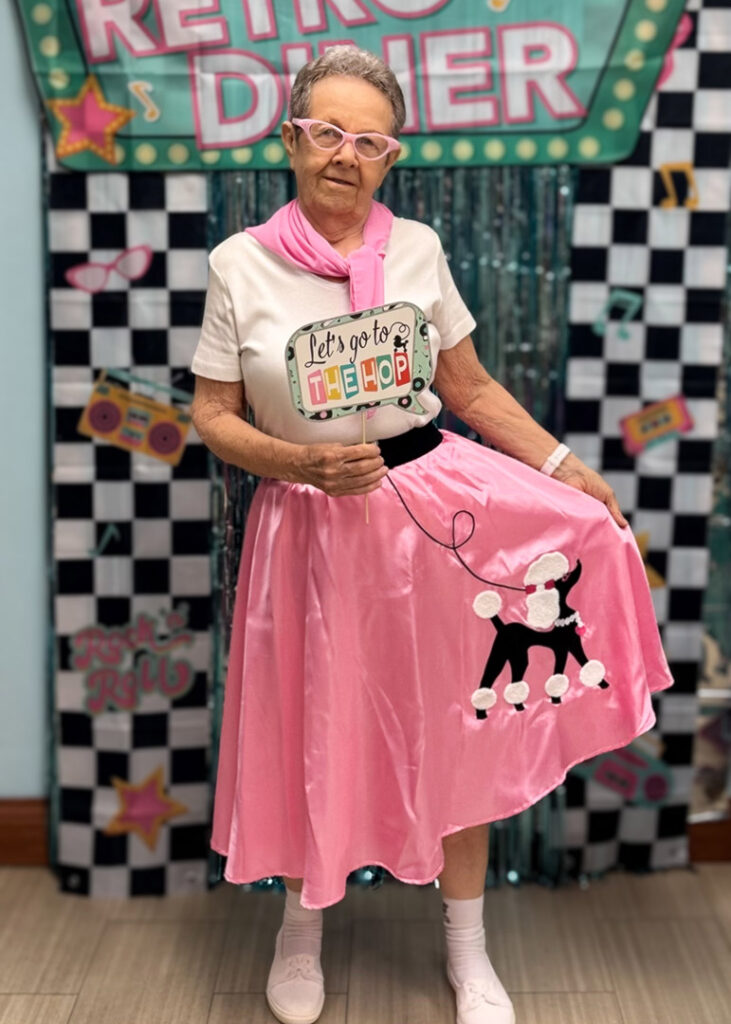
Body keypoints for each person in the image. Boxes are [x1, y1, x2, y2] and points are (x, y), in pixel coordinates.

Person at [190, 45, 674, 1024]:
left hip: (431, 525)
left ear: (390, 157)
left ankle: (466, 948)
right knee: (314, 728)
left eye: (368, 141)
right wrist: (299, 462)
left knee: (459, 729)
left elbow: (471, 390)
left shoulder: (417, 248)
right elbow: (211, 415)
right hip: (308, 530)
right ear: (291, 138)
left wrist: (563, 468)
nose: (345, 154)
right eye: (328, 132)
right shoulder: (239, 264)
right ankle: (299, 931)